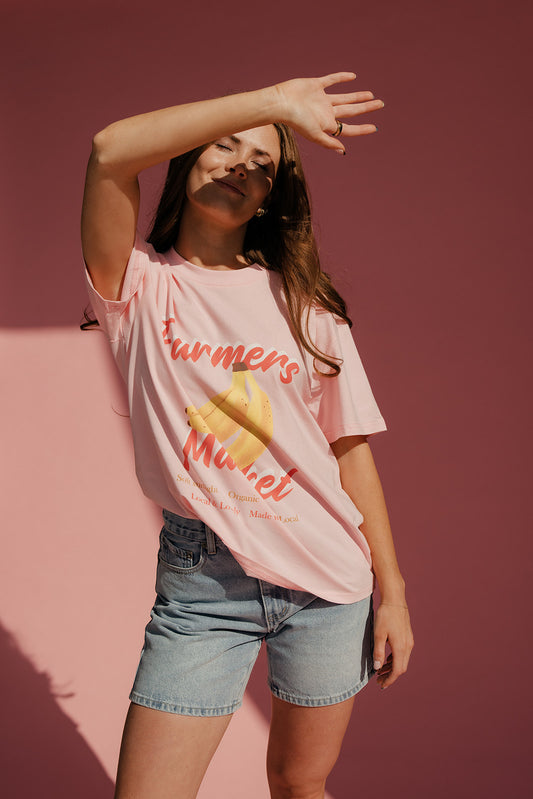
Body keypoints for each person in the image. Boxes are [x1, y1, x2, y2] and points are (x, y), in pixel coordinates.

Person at [81, 72, 414, 799]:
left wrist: (392, 592)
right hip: (202, 583)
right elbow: (109, 151)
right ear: (186, 160)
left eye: (262, 165)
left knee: (299, 785)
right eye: (223, 148)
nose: (240, 166)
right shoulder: (138, 286)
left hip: (328, 582)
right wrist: (272, 105)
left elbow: (348, 452)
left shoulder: (305, 304)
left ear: (271, 199)